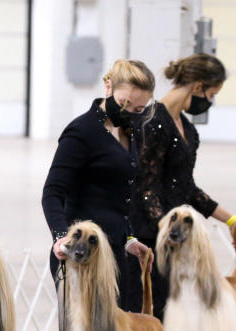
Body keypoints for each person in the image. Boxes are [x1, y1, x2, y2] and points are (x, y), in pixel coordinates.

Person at [133, 53, 236, 319]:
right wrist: (166, 229)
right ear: (198, 87)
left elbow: (187, 188)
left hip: (175, 237)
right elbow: (145, 187)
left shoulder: (189, 131)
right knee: (153, 317)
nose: (210, 102)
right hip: (150, 241)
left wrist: (232, 220)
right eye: (212, 94)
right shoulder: (151, 122)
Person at [42, 59, 156, 312]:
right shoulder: (81, 132)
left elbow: (116, 198)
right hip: (82, 254)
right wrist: (61, 238)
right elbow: (52, 193)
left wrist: (129, 239)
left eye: (138, 109)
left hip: (116, 254)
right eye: (125, 103)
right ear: (108, 86)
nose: (129, 112)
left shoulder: (131, 132)